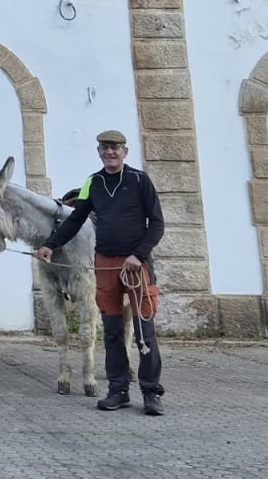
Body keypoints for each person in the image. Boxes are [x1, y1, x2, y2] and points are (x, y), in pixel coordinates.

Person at [36, 129, 166, 415]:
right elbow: (75, 219)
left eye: (115, 148)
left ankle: (151, 392)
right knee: (112, 331)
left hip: (136, 265)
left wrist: (138, 254)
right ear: (99, 152)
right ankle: (117, 390)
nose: (109, 152)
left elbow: (157, 223)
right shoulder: (92, 183)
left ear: (125, 152)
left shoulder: (139, 180)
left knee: (145, 331)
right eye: (104, 148)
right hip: (105, 264)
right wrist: (49, 245)